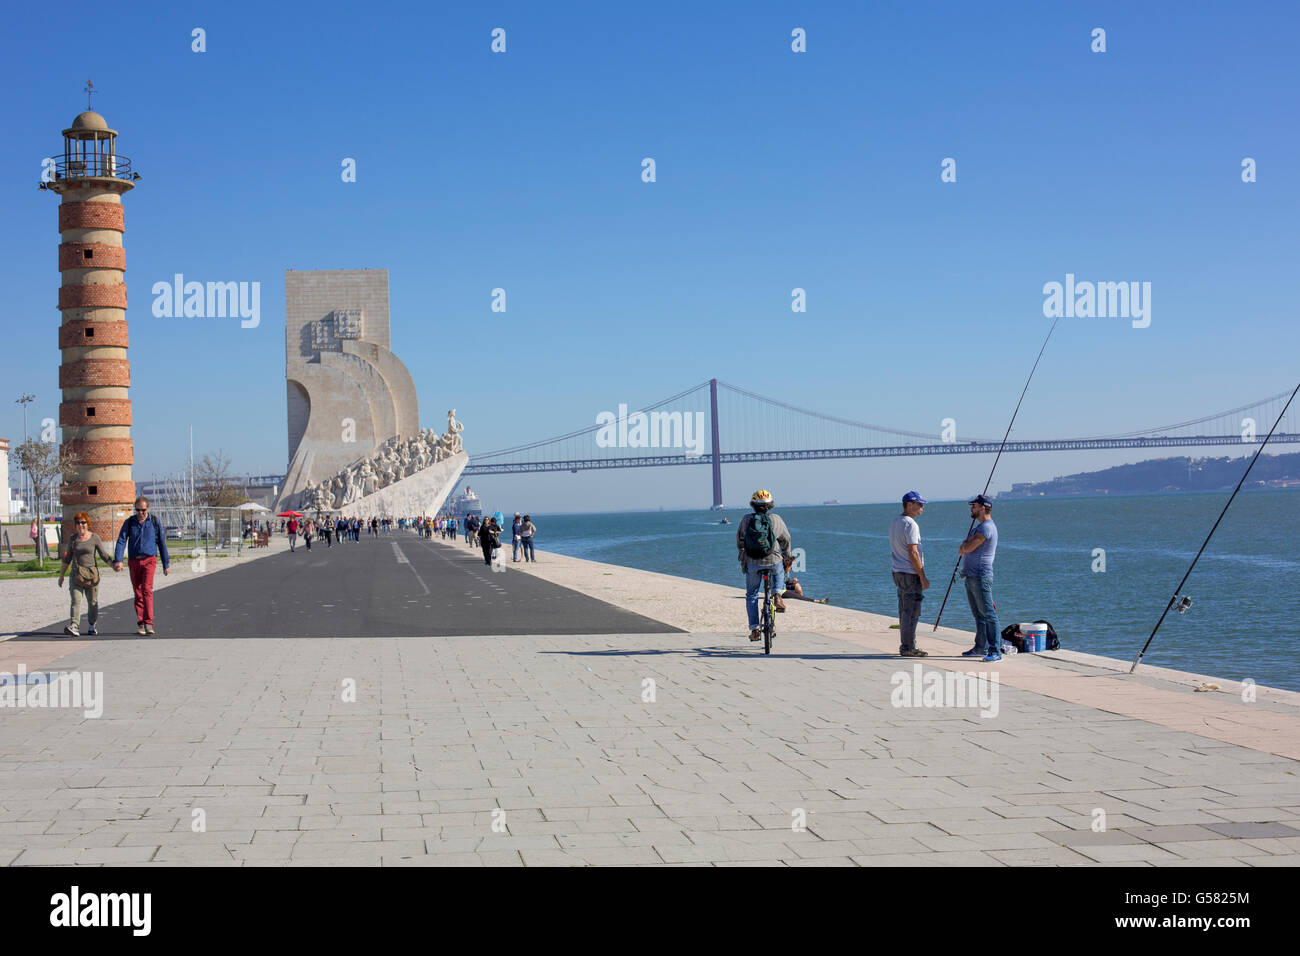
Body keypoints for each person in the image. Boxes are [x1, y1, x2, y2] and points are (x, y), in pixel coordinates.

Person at [736, 489, 791, 643]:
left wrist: (743, 556)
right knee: (779, 570)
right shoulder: (776, 519)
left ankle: (754, 630)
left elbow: (740, 540)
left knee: (752, 595)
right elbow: (786, 539)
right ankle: (777, 595)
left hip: (753, 563)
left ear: (753, 505)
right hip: (773, 561)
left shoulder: (746, 520)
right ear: (770, 505)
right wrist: (787, 557)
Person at [112, 495, 170, 636]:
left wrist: (165, 563)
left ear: (147, 508)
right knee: (138, 592)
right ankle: (141, 623)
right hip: (134, 561)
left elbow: (161, 543)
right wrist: (118, 559)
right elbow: (121, 540)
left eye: (142, 510)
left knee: (146, 590)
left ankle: (149, 622)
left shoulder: (154, 522)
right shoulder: (129, 522)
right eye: (137, 510)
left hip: (149, 560)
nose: (140, 513)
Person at [958, 493, 1001, 662]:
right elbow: (964, 546)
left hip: (980, 576)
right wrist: (964, 546)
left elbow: (967, 548)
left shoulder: (986, 528)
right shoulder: (979, 528)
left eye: (974, 506)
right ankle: (979, 647)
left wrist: (964, 546)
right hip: (971, 576)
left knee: (988, 614)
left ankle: (995, 650)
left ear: (983, 508)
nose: (971, 509)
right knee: (978, 615)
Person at [57, 512, 115, 637]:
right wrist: (61, 576)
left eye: (83, 522)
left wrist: (113, 565)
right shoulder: (73, 539)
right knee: (76, 600)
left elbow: (103, 555)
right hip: (76, 575)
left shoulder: (94, 538)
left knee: (92, 601)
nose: (80, 525)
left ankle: (91, 625)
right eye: (78, 523)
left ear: (87, 524)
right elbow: (67, 559)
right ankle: (74, 625)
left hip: (91, 575)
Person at [889, 491, 931, 658]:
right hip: (909, 573)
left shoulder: (894, 522)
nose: (922, 507)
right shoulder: (910, 524)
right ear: (909, 504)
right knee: (912, 611)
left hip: (898, 571)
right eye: (919, 504)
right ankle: (908, 647)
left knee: (904, 610)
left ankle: (907, 644)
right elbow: (913, 552)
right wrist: (922, 576)